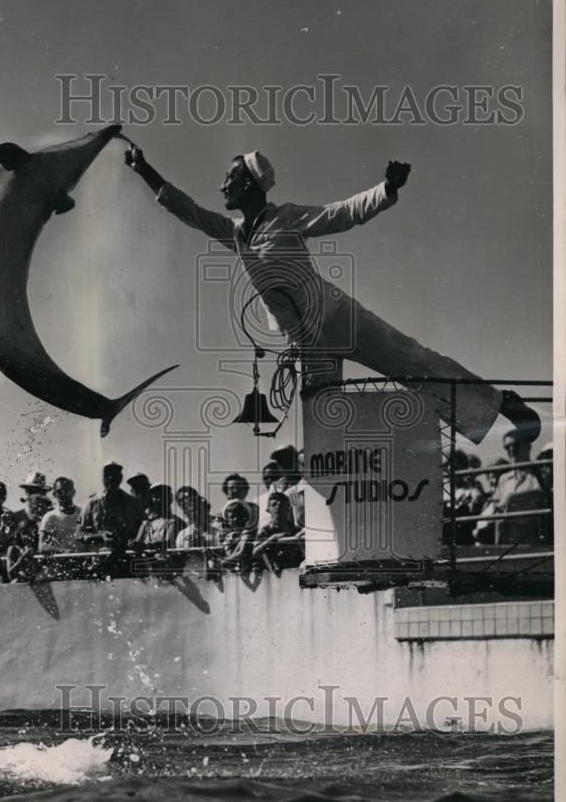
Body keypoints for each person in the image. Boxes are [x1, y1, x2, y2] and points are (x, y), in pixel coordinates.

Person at [125, 144, 540, 447]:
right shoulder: (236, 234)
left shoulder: (285, 218)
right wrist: (145, 170)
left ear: (250, 184)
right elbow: (190, 212)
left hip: (336, 316)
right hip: (306, 343)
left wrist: (385, 190)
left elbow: (339, 213)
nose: (222, 186)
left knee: (412, 360)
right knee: (323, 421)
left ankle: (498, 403)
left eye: (229, 179)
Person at [492, 429, 544, 545]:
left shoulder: (538, 475)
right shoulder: (503, 479)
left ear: (528, 447)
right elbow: (495, 504)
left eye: (516, 445)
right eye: (507, 447)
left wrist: (512, 499)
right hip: (504, 539)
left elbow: (540, 496)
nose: (511, 450)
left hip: (527, 539)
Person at [77, 461, 144, 550]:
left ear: (121, 478)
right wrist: (100, 537)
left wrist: (137, 540)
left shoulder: (133, 503)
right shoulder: (92, 504)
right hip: (101, 558)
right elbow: (78, 535)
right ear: (102, 478)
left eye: (115, 475)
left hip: (127, 557)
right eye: (107, 475)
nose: (111, 478)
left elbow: (145, 527)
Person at [253, 491, 303, 572]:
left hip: (296, 572)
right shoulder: (266, 531)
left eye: (282, 505)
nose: (278, 507)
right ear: (268, 509)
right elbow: (255, 552)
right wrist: (272, 538)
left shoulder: (296, 530)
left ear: (288, 507)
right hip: (276, 574)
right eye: (274, 505)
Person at [134, 484, 186, 551]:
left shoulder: (176, 522)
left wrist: (146, 546)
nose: (159, 499)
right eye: (155, 496)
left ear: (169, 499)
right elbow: (137, 542)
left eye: (163, 496)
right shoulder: (146, 523)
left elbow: (168, 544)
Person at [38, 477, 82, 554]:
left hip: (84, 560)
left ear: (73, 492)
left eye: (67, 490)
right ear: (54, 494)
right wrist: (63, 551)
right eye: (60, 492)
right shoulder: (50, 517)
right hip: (62, 562)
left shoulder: (82, 513)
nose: (64, 494)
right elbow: (42, 546)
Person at [219, 499, 256, 570]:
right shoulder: (227, 536)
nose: (236, 519)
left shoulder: (247, 533)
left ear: (246, 517)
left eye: (239, 516)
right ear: (227, 520)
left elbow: (241, 552)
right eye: (232, 517)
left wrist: (224, 562)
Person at [257, 459, 285, 528]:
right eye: (266, 478)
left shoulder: (286, 494)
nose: (269, 480)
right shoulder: (257, 501)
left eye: (273, 476)